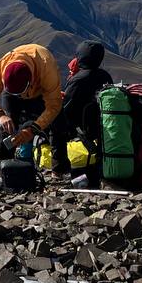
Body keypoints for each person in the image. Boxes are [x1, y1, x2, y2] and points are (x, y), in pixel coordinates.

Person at [0, 43, 63, 163]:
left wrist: (34, 129)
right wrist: (0, 114)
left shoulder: (46, 68)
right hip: (14, 90)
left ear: (30, 82)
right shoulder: (1, 68)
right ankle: (5, 166)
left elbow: (54, 105)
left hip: (39, 92)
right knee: (7, 125)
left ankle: (58, 166)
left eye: (20, 93)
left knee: (56, 122)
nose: (19, 96)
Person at [51, 40, 113, 182]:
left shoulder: (78, 79)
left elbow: (67, 108)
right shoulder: (105, 76)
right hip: (101, 126)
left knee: (55, 122)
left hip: (80, 127)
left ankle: (58, 168)